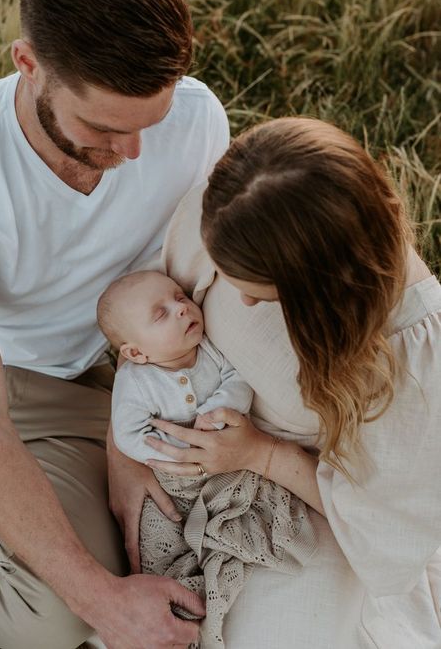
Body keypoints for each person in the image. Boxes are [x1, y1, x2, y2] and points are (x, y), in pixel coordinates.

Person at [0, 0, 230, 647]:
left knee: (79, 593)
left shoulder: (197, 122)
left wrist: (125, 445)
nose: (133, 153)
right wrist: (106, 602)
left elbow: (195, 285)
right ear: (29, 64)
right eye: (104, 128)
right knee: (64, 609)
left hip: (95, 383)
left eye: (149, 120)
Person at [132, 116, 441, 648]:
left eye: (263, 291)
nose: (243, 301)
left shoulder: (411, 358)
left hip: (308, 502)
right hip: (178, 453)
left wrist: (260, 454)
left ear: (320, 287)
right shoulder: (233, 209)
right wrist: (125, 462)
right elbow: (150, 318)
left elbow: (381, 520)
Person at [96, 269, 317, 646]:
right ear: (136, 351)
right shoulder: (135, 380)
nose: (181, 309)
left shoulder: (210, 351)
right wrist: (166, 451)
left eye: (180, 298)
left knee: (246, 507)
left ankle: (222, 569)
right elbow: (127, 433)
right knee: (157, 533)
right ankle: (173, 602)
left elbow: (238, 380)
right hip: (169, 478)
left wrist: (219, 410)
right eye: (161, 313)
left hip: (224, 466)